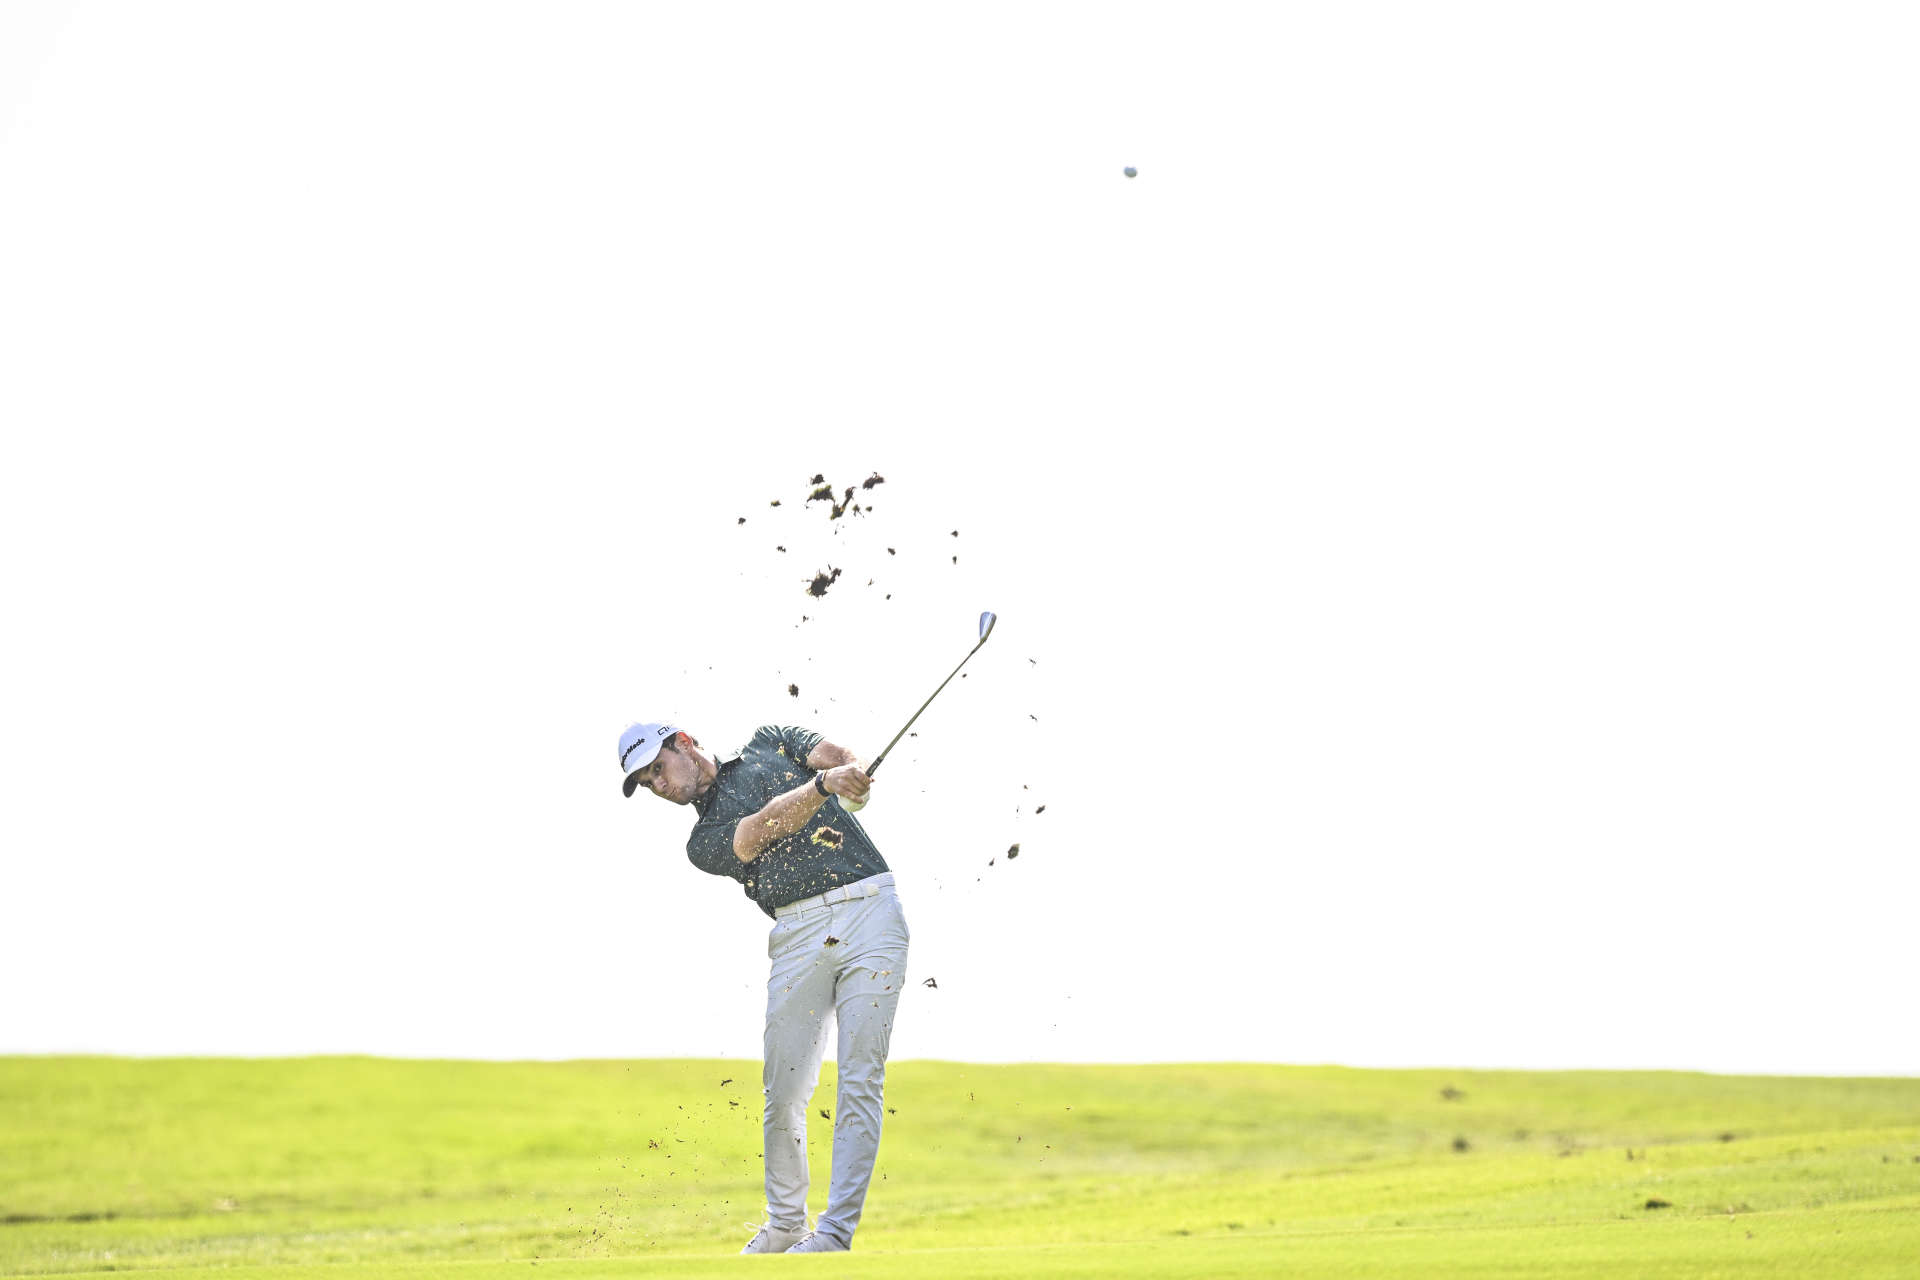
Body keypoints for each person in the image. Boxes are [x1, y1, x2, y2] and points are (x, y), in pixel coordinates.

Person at [617, 720, 910, 1255]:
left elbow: (831, 754)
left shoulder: (768, 740)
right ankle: (785, 1225)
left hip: (871, 909)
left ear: (683, 742)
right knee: (785, 1092)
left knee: (859, 1078)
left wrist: (850, 775)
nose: (659, 785)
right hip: (797, 933)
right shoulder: (701, 842)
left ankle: (834, 1234)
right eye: (647, 782)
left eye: (657, 768)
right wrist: (824, 787)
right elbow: (760, 829)